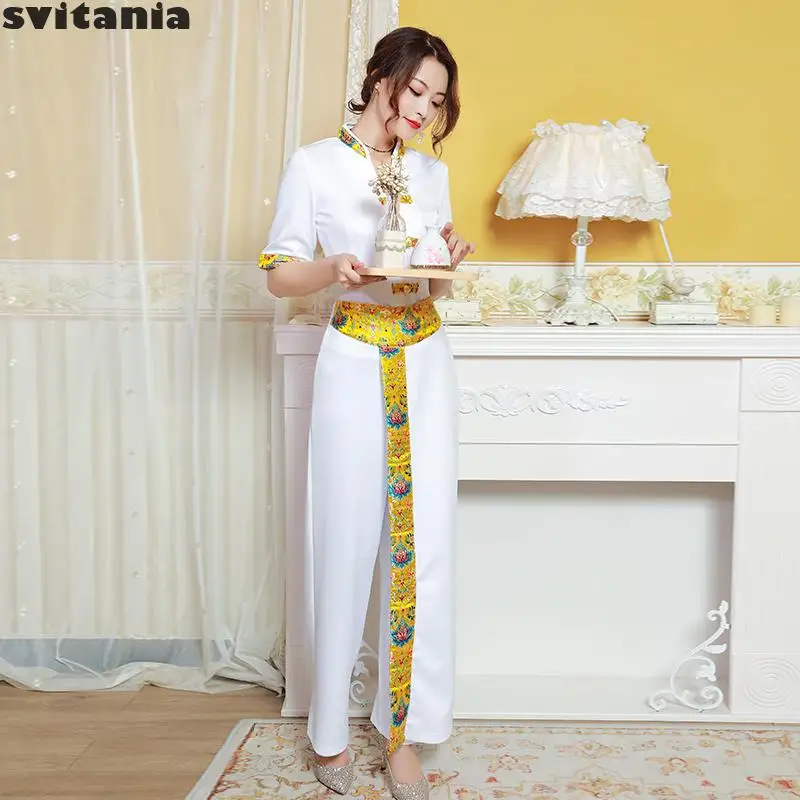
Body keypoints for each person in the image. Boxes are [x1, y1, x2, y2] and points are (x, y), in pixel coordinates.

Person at [260, 26, 474, 800]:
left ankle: (403, 734)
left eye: (437, 100)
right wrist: (332, 268)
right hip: (352, 356)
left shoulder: (430, 174)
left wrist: (446, 264)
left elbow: (424, 278)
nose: (423, 108)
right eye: (416, 89)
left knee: (424, 544)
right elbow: (280, 274)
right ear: (380, 75)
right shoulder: (315, 165)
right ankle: (327, 734)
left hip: (425, 357)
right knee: (344, 537)